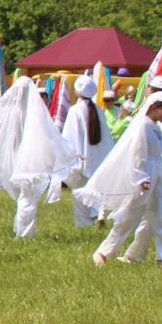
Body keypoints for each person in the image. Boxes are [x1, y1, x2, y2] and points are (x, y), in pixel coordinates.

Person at [80, 87, 162, 265]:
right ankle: (103, 253)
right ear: (155, 107)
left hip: (159, 175)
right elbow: (138, 155)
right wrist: (142, 178)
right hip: (145, 177)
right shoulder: (142, 127)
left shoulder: (155, 128)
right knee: (130, 216)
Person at [0, 75, 80, 239]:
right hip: (30, 159)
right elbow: (50, 135)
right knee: (27, 195)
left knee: (25, 195)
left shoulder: (11, 112)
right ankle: (25, 232)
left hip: (16, 158)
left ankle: (24, 229)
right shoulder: (33, 113)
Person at [62, 75, 114, 228]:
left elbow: (69, 136)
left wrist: (70, 155)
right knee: (94, 192)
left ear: (77, 92)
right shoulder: (99, 110)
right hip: (97, 158)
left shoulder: (75, 110)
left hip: (81, 159)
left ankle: (83, 225)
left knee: (80, 195)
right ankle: (97, 213)